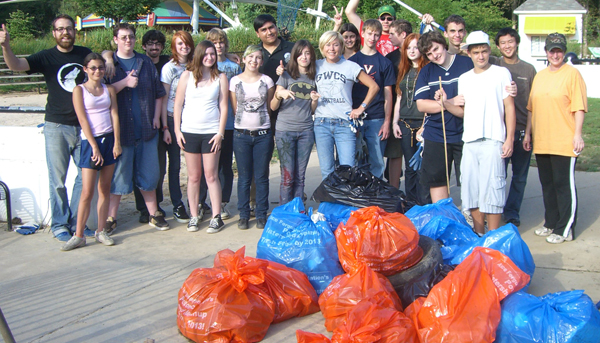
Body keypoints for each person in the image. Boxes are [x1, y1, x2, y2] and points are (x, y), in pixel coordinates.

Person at [0, 15, 94, 242]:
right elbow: (17, 66)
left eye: (69, 29)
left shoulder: (85, 53)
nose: (65, 33)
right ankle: (60, 224)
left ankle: (77, 224)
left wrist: (109, 58)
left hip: (84, 127)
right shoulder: (46, 56)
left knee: (84, 178)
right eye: (60, 29)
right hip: (56, 126)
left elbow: (102, 62)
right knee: (58, 180)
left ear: (74, 31)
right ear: (54, 33)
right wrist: (6, 46)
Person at [525, 33, 587, 244]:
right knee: (548, 185)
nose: (556, 54)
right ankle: (551, 222)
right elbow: (532, 109)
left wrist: (577, 135)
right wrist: (528, 133)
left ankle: (565, 228)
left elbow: (579, 107)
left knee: (563, 185)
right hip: (543, 141)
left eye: (559, 50)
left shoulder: (572, 74)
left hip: (564, 140)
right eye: (552, 50)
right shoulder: (540, 76)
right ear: (546, 52)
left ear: (564, 51)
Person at [105, 23, 168, 231]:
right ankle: (111, 217)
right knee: (119, 177)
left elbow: (159, 93)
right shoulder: (108, 64)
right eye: (123, 37)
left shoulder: (145, 63)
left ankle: (153, 213)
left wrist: (158, 118)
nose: (127, 41)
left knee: (149, 175)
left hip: (147, 130)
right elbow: (100, 92)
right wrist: (124, 83)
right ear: (115, 39)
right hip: (120, 132)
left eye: (131, 37)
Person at [455, 31, 516, 235]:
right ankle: (479, 234)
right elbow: (463, 111)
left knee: (493, 190)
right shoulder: (464, 79)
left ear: (489, 50)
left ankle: (493, 236)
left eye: (483, 51)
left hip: (493, 139)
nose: (480, 56)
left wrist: (509, 139)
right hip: (470, 141)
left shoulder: (501, 73)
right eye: (476, 52)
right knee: (471, 190)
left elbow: (509, 107)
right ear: (469, 54)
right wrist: (445, 102)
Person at [62, 53, 121, 251]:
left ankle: (101, 230)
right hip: (89, 144)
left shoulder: (109, 89)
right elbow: (82, 118)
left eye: (101, 68)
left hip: (109, 140)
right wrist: (94, 146)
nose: (98, 71)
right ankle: (78, 234)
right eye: (93, 68)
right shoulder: (79, 90)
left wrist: (117, 143)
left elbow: (114, 114)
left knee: (105, 189)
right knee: (87, 191)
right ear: (85, 69)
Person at [174, 41, 229, 234]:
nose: (210, 57)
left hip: (211, 133)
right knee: (194, 176)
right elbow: (178, 104)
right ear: (198, 55)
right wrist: (177, 131)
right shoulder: (186, 76)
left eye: (212, 54)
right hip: (189, 131)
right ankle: (194, 216)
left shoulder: (220, 77)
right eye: (206, 54)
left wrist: (220, 133)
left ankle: (216, 216)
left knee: (211, 175)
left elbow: (223, 107)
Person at [414, 31, 474, 203]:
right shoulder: (426, 71)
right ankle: (443, 217)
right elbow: (422, 105)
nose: (434, 55)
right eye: (429, 54)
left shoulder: (466, 63)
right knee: (437, 181)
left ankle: (472, 219)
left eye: (436, 49)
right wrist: (449, 102)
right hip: (437, 134)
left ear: (443, 44)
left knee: (470, 181)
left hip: (466, 132)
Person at [314, 31, 379, 180]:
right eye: (328, 45)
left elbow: (373, 86)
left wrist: (361, 107)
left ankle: (347, 203)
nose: (332, 48)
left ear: (341, 46)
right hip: (321, 123)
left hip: (344, 123)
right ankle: (329, 203)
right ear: (322, 47)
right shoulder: (316, 65)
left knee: (349, 169)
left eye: (336, 44)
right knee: (327, 170)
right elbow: (297, 71)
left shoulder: (350, 66)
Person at [493, 28, 537, 227]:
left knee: (519, 176)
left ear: (517, 43)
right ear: (498, 46)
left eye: (510, 42)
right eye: (503, 43)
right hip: (499, 132)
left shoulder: (528, 69)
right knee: (497, 174)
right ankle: (495, 208)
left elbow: (533, 105)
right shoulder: (494, 64)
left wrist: (528, 133)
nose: (507, 46)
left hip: (522, 131)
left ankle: (512, 212)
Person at [230, 45, 276, 230]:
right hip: (241, 134)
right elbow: (235, 108)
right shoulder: (234, 81)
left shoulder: (267, 81)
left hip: (263, 134)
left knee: (262, 176)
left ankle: (261, 213)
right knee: (244, 177)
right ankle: (243, 214)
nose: (253, 60)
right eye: (250, 56)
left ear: (261, 62)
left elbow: (270, 106)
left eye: (257, 57)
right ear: (243, 59)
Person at [198, 28, 242, 221]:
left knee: (225, 165)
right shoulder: (202, 66)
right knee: (204, 167)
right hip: (207, 124)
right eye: (214, 42)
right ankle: (201, 202)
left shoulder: (233, 66)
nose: (219, 45)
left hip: (230, 124)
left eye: (222, 42)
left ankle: (222, 202)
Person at [270, 40, 319, 204]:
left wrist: (314, 101)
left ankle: (298, 210)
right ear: (294, 56)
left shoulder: (314, 77)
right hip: (285, 130)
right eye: (300, 53)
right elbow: (273, 106)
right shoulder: (285, 74)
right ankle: (285, 211)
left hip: (306, 131)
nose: (304, 57)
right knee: (288, 175)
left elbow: (312, 110)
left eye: (307, 53)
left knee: (300, 176)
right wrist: (279, 94)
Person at [349, 19, 396, 179]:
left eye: (376, 34)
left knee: (377, 163)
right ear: (362, 33)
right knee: (356, 162)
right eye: (369, 33)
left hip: (377, 118)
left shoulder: (385, 63)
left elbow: (388, 93)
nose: (373, 37)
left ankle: (375, 198)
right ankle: (359, 198)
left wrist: (387, 121)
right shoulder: (352, 62)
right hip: (356, 118)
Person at [159, 31, 194, 225]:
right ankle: (177, 203)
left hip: (193, 120)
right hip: (173, 119)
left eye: (187, 43)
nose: (184, 47)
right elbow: (163, 99)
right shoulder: (169, 68)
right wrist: (166, 127)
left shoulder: (196, 64)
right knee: (174, 165)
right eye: (180, 44)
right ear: (174, 46)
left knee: (194, 166)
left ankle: (196, 201)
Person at [391, 33, 431, 205]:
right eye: (409, 47)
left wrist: (426, 124)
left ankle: (423, 203)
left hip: (423, 124)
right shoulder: (403, 70)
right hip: (405, 123)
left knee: (423, 167)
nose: (412, 51)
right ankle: (411, 202)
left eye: (416, 47)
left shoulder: (428, 69)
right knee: (410, 167)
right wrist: (394, 122)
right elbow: (399, 98)